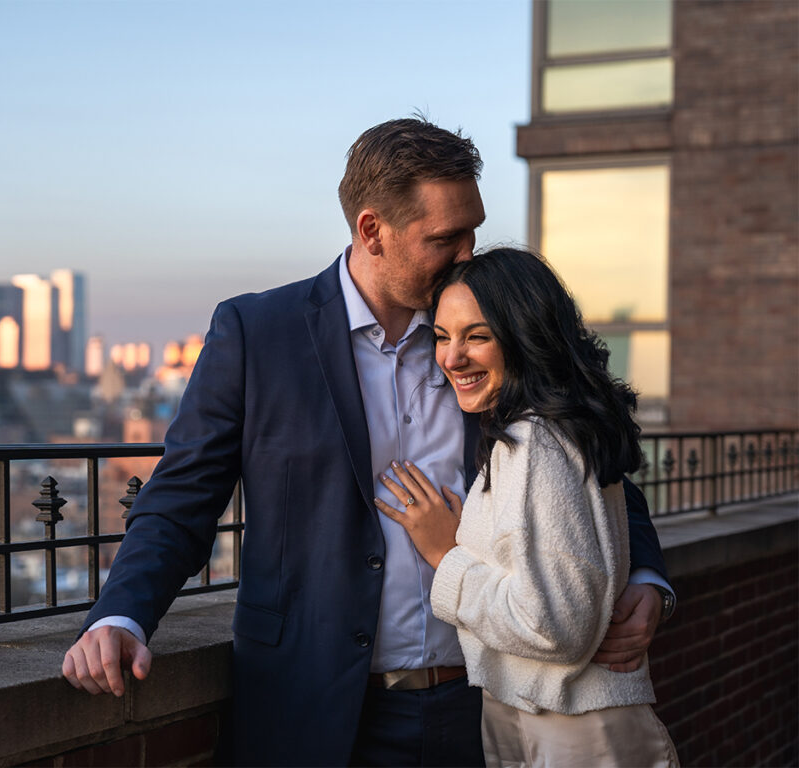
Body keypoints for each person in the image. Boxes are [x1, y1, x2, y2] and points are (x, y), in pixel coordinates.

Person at [62, 118, 673, 766]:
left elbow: (577, 452)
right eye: (445, 238)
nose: (469, 255)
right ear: (372, 230)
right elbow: (181, 496)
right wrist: (119, 616)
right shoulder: (257, 333)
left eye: (473, 231)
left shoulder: (488, 341)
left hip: (485, 709)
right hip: (315, 716)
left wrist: (644, 574)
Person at [376, 248, 678, 767]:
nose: (451, 358)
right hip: (542, 714)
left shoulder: (533, 438)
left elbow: (554, 627)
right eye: (443, 337)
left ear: (524, 335)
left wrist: (446, 556)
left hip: (569, 726)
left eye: (477, 336)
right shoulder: (550, 425)